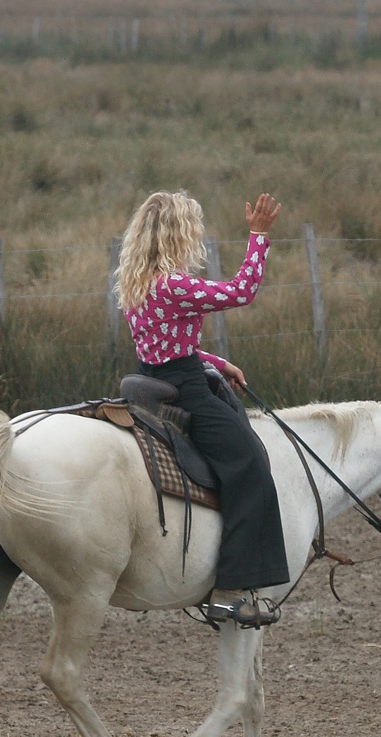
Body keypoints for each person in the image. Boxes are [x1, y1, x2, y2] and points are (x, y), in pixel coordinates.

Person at [116, 190, 290, 627]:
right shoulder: (175, 284)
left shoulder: (135, 282)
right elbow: (241, 291)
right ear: (178, 235)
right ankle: (230, 592)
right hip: (185, 390)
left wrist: (218, 362)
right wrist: (259, 236)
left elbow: (166, 348)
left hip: (155, 380)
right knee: (249, 462)